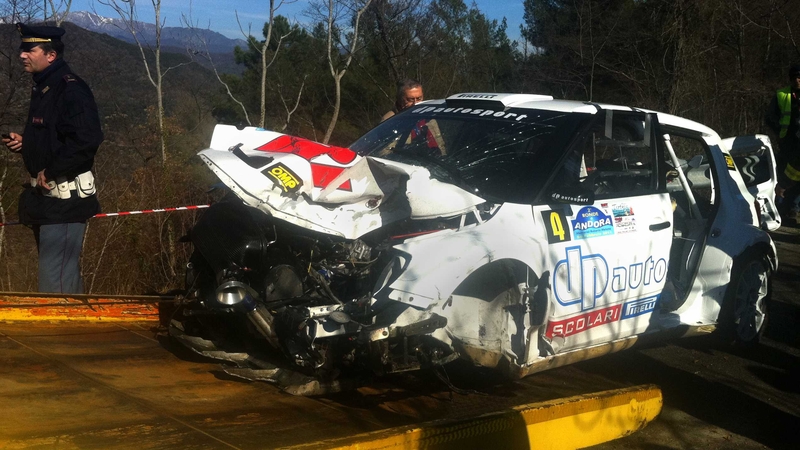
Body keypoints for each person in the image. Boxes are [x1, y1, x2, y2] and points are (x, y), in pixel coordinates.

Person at [2, 23, 103, 293]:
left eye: (29, 49)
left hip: (64, 203)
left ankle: (67, 335)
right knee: (62, 281)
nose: (22, 54)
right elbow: (58, 136)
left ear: (51, 55)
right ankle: (76, 330)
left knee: (55, 287)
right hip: (49, 204)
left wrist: (52, 169)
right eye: (22, 48)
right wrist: (29, 144)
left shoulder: (69, 89)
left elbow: (86, 140)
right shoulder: (45, 87)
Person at [765, 63, 800, 226]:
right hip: (787, 141)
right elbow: (770, 117)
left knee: (797, 176)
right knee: (785, 174)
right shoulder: (782, 95)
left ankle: (792, 208)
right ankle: (779, 207)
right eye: (796, 78)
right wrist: (779, 130)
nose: (798, 81)